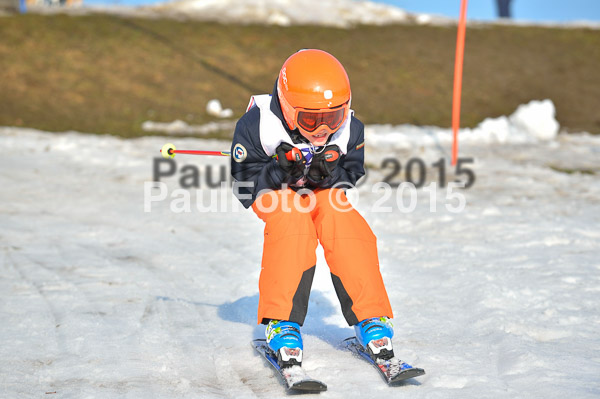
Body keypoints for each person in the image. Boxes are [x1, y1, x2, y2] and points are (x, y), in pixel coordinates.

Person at [230, 49, 395, 368]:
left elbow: (351, 172)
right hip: (273, 191)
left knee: (345, 224)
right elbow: (244, 183)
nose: (322, 129)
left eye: (332, 118)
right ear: (290, 110)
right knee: (292, 224)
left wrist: (329, 172)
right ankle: (282, 321)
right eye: (310, 119)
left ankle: (371, 317)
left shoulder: (350, 128)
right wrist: (278, 170)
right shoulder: (258, 124)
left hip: (321, 191)